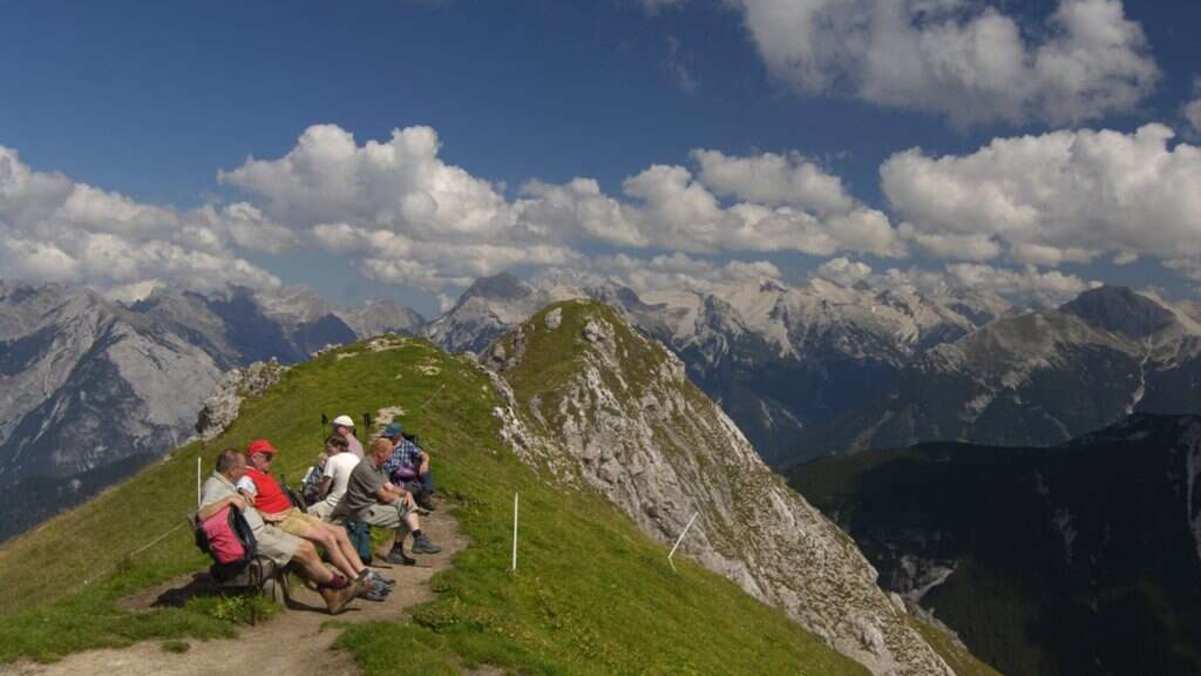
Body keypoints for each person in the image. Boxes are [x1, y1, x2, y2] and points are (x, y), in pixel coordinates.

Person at [198, 448, 361, 613]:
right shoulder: (214, 487)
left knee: (308, 547)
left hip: (260, 529)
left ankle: (332, 595)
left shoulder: (226, 482)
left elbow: (242, 510)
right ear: (232, 471)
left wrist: (263, 515)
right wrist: (228, 499)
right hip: (251, 541)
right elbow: (202, 514)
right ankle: (341, 585)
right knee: (304, 551)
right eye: (241, 468)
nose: (244, 471)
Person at [238, 439, 392, 600]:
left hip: (292, 513)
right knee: (327, 538)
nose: (270, 461)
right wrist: (263, 514)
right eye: (267, 457)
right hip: (281, 519)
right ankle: (357, 581)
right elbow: (243, 500)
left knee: (339, 531)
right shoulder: (247, 478)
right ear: (255, 457)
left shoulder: (261, 473)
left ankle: (364, 573)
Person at [333, 437, 442, 563]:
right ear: (380, 453)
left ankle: (410, 544)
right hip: (362, 510)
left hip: (373, 505)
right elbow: (384, 496)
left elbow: (389, 486)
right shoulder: (365, 469)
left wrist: (406, 493)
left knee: (408, 512)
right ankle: (410, 543)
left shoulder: (378, 466)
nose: (390, 457)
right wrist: (402, 499)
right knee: (407, 514)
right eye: (389, 453)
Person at [380, 423, 435, 511]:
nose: (389, 438)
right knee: (385, 472)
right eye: (388, 436)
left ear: (399, 435)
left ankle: (426, 495)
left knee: (426, 469)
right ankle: (385, 496)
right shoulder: (384, 443)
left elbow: (423, 454)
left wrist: (425, 462)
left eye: (391, 436)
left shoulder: (407, 444)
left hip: (406, 472)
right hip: (391, 472)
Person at [307, 434, 360, 521]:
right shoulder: (355, 457)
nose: (327, 451)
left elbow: (324, 489)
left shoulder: (332, 460)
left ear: (338, 447)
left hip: (336, 503)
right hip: (355, 500)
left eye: (329, 448)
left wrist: (319, 491)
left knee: (306, 514)